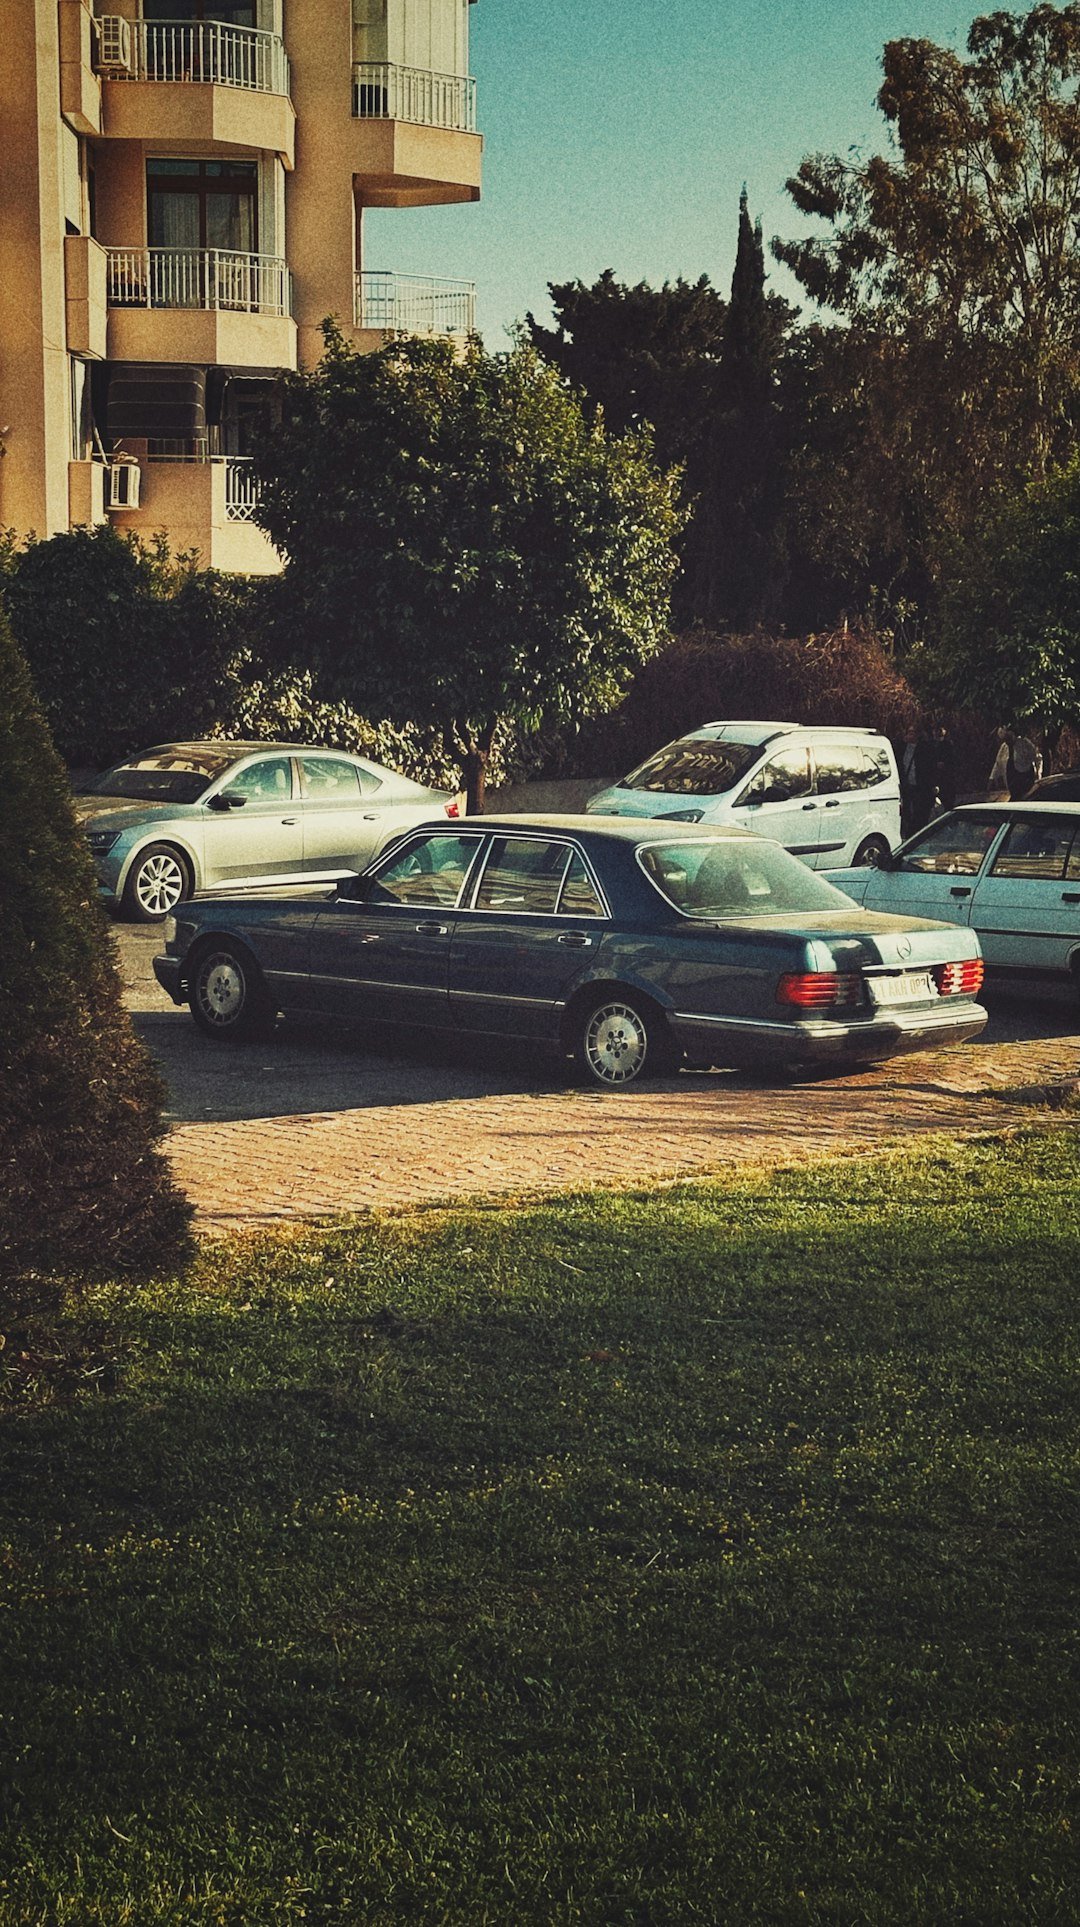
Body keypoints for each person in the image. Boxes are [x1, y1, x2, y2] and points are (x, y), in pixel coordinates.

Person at [1009, 727, 1043, 799]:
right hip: (1014, 775)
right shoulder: (1006, 747)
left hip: (1026, 774)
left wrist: (1038, 772)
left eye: (1009, 738)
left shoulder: (1024, 743)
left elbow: (1037, 757)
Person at [987, 726, 1012, 802]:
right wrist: (991, 779)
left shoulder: (1020, 744)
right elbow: (997, 763)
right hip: (1007, 782)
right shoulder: (1003, 747)